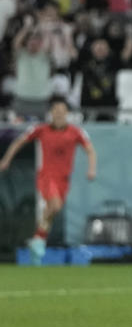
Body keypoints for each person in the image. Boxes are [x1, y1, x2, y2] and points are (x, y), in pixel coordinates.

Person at [0, 96, 97, 264]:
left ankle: (38, 239)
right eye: (56, 111)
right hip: (47, 176)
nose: (59, 114)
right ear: (51, 113)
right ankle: (38, 240)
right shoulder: (41, 130)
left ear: (67, 113)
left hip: (64, 179)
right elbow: (19, 142)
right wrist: (6, 160)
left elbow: (90, 150)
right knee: (55, 205)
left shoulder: (75, 132)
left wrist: (92, 169)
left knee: (53, 211)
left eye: (62, 111)